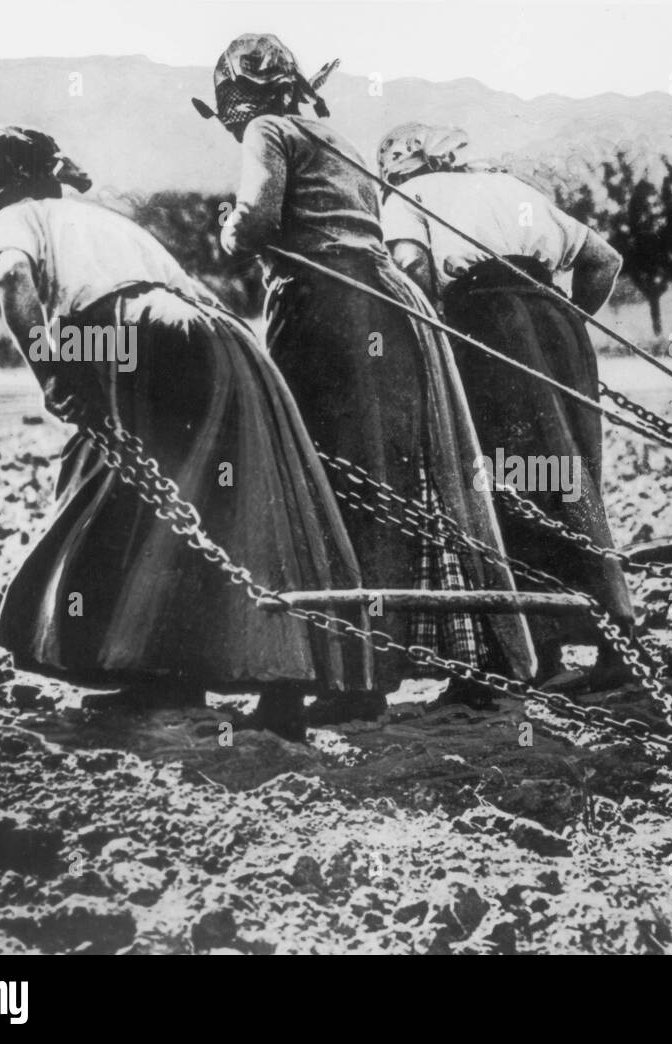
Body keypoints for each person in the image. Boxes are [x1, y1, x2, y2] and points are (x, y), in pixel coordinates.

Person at [0, 125, 373, 738]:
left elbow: (11, 280)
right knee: (237, 503)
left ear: (3, 185)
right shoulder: (103, 222)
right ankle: (272, 687)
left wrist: (50, 370)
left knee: (116, 495)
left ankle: (156, 674)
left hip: (131, 333)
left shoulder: (17, 217)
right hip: (225, 336)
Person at [197, 35, 536, 717]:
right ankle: (465, 656)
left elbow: (258, 220)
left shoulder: (268, 131)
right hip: (391, 307)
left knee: (326, 483)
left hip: (330, 314)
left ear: (239, 99)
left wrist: (230, 233)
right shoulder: (337, 136)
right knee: (409, 478)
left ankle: (355, 680)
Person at [377, 124, 635, 687]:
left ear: (394, 168)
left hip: (486, 331)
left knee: (507, 484)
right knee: (570, 479)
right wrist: (560, 322)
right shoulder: (510, 187)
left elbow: (413, 272)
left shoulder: (405, 199)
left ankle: (541, 653)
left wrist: (439, 339)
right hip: (560, 330)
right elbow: (604, 261)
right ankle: (619, 639)